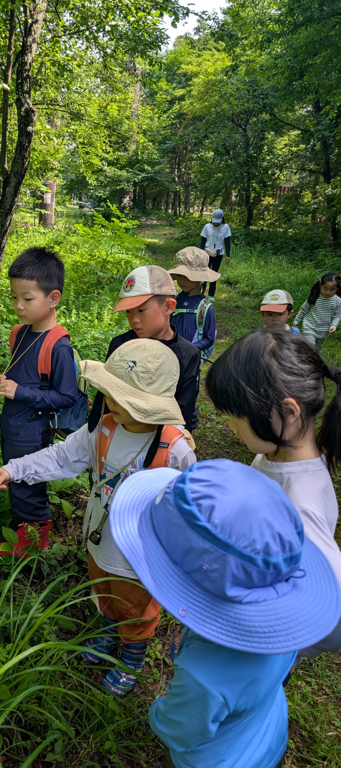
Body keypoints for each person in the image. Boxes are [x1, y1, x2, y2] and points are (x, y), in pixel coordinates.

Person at [0, 339, 195, 694]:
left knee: (136, 605)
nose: (110, 401)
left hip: (141, 555)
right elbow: (63, 457)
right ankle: (109, 629)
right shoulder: (104, 427)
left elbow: (190, 509)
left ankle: (133, 655)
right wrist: (15, 468)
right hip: (99, 537)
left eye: (121, 397)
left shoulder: (175, 449)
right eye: (108, 392)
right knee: (103, 589)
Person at [110, 460, 341, 768]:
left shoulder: (202, 676)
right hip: (267, 736)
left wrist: (157, 710)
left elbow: (178, 730)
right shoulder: (282, 626)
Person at [206, 328, 341, 657]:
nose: (229, 426)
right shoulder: (275, 456)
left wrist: (275, 640)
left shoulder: (300, 505)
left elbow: (334, 617)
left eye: (236, 416)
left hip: (254, 642)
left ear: (288, 412)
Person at [0, 247, 78, 556]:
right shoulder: (19, 334)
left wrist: (20, 392)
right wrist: (0, 381)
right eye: (14, 297)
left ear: (53, 298)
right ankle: (23, 526)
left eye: (27, 299)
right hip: (12, 424)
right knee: (15, 473)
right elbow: (21, 373)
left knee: (28, 478)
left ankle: (34, 537)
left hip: (33, 428)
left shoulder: (58, 346)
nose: (18, 306)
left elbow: (66, 397)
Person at [87, 265, 200, 439]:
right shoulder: (121, 344)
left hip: (159, 443)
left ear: (169, 306)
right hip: (115, 438)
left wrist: (179, 442)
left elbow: (184, 408)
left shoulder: (187, 354)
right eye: (128, 312)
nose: (134, 320)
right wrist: (92, 433)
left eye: (141, 310)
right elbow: (104, 396)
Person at [168, 247, 219, 363]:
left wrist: (189, 349)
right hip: (169, 356)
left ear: (200, 278)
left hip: (190, 360)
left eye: (187, 276)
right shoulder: (174, 301)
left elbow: (209, 338)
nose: (182, 281)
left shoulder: (205, 308)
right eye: (179, 275)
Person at [293, 272, 341, 350]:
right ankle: (304, 360)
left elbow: (338, 315)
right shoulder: (315, 296)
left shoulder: (338, 301)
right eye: (325, 288)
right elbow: (304, 309)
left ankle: (314, 360)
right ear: (320, 286)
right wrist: (297, 320)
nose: (328, 292)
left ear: (337, 289)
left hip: (323, 330)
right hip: (309, 325)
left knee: (317, 348)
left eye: (332, 289)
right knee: (310, 347)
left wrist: (333, 326)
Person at [199, 208, 231, 300]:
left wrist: (228, 255)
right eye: (214, 221)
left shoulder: (226, 227)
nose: (216, 223)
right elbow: (203, 241)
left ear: (222, 219)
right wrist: (201, 253)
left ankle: (211, 295)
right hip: (207, 253)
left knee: (213, 273)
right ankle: (201, 293)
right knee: (204, 273)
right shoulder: (207, 226)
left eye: (218, 222)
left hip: (219, 254)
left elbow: (227, 242)